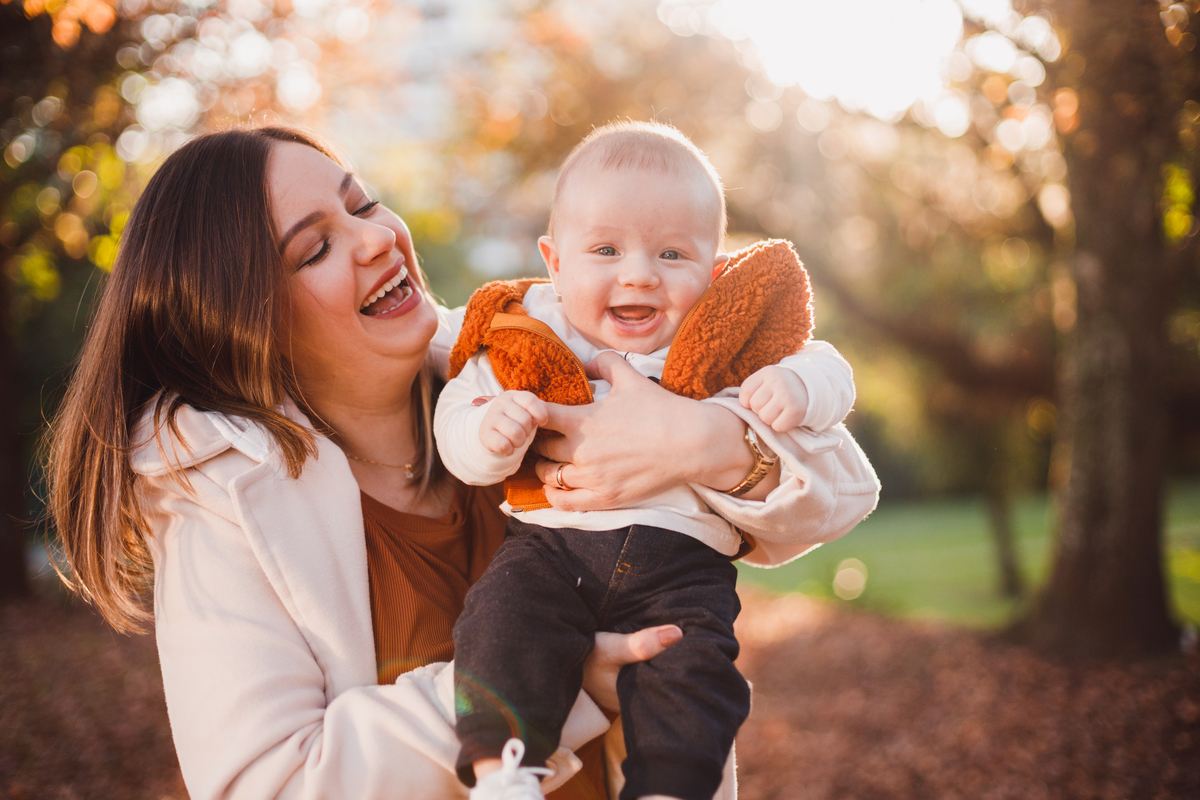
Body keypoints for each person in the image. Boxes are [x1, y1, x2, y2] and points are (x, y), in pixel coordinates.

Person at [45, 125, 880, 800]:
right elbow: (267, 782)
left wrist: (711, 444)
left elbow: (843, 493)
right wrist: (545, 681)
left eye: (363, 202)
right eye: (316, 248)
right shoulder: (224, 495)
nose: (375, 238)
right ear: (243, 321)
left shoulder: (516, 355)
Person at [436, 121, 864, 800]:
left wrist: (797, 387)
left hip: (684, 563)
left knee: (696, 668)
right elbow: (455, 420)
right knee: (501, 623)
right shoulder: (525, 335)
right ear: (554, 261)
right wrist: (491, 433)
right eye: (605, 249)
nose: (638, 273)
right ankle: (503, 770)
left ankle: (669, 789)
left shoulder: (727, 338)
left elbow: (831, 367)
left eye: (672, 254)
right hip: (552, 549)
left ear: (714, 269)